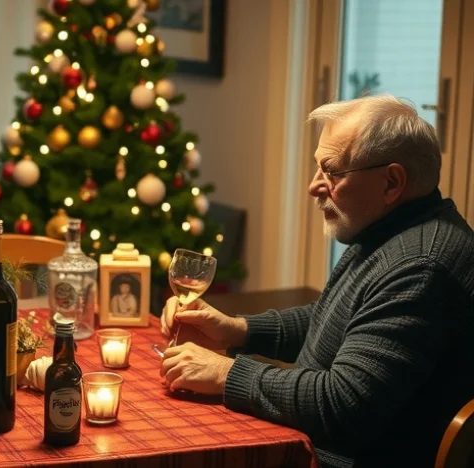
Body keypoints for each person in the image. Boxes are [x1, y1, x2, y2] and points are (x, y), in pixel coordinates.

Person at [159, 95, 474, 467]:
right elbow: (336, 319)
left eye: (331, 171)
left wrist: (227, 372)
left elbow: (343, 404)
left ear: (391, 182)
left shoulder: (422, 265)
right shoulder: (391, 229)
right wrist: (237, 330)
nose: (313, 185)